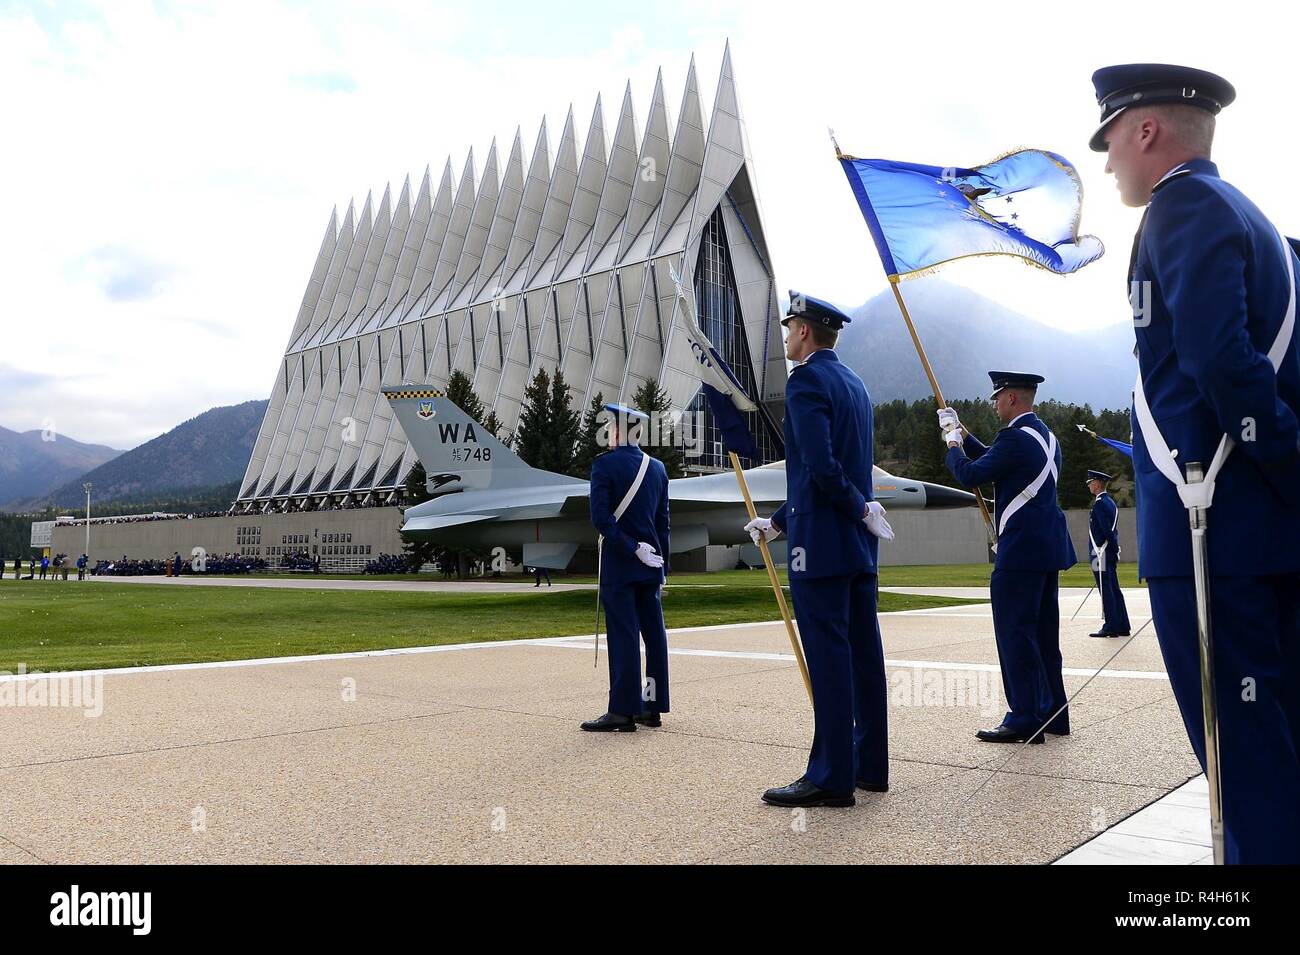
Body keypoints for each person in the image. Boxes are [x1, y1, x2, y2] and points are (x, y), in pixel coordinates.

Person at [1091, 62, 1300, 863]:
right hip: (1255, 533)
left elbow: (1221, 361)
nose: (1108, 158)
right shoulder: (1246, 214)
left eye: (1111, 136)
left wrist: (1288, 472)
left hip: (1217, 535)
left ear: (1147, 130)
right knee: (1270, 755)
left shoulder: (1184, 207)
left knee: (1246, 772)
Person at [745, 291, 894, 807]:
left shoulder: (806, 380)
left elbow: (820, 466)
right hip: (854, 544)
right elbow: (826, 473)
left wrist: (852, 507)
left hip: (825, 544)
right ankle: (870, 765)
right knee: (863, 655)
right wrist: (780, 522)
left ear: (805, 331)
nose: (786, 336)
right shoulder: (856, 385)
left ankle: (831, 777)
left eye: (789, 328)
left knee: (829, 659)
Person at [941, 372, 1077, 744]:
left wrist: (952, 445)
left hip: (1019, 551)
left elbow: (972, 475)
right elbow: (996, 461)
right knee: (1045, 636)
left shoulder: (1014, 438)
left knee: (1015, 634)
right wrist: (966, 436)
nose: (995, 403)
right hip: (1047, 549)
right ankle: (1053, 713)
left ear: (1013, 398)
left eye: (997, 397)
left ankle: (1023, 717)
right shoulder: (1047, 438)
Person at [581, 403, 671, 733]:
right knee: (654, 636)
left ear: (618, 431)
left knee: (624, 636)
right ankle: (652, 706)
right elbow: (663, 524)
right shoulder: (658, 468)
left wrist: (632, 548)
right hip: (652, 566)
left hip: (621, 564)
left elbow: (601, 519)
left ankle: (622, 711)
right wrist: (662, 566)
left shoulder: (604, 466)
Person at [1084, 470, 1130, 638]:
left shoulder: (1100, 504)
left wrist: (1113, 547)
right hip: (1106, 552)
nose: (1089, 485)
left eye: (1090, 483)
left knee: (1107, 589)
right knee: (1114, 588)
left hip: (1100, 553)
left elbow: (1106, 530)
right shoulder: (1109, 502)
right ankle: (1122, 624)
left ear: (1097, 483)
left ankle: (1111, 625)